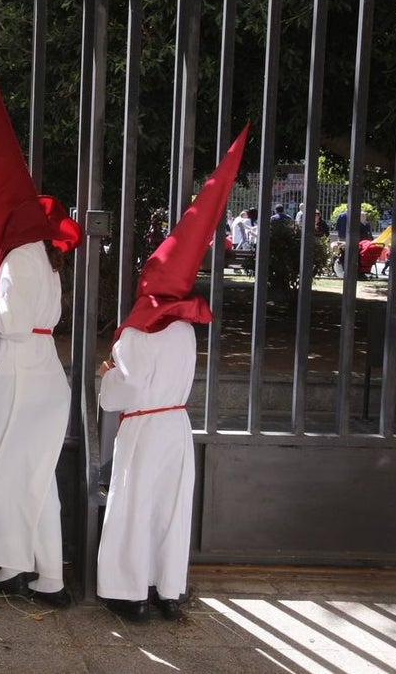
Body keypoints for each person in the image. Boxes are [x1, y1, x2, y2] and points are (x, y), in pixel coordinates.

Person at [97, 125, 248, 624]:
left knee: (134, 506)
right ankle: (167, 590)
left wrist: (106, 379)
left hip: (142, 427)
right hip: (176, 427)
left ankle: (130, 593)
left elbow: (122, 393)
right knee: (169, 508)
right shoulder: (186, 330)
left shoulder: (134, 336)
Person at [0, 24, 82, 607]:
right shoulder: (43, 254)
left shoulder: (17, 254)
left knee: (16, 474)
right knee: (37, 481)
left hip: (18, 369)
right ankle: (48, 577)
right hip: (47, 368)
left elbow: (9, 318)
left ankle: (17, 566)